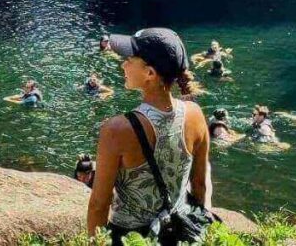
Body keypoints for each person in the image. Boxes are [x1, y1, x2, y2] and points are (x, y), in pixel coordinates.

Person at [86, 28, 211, 246]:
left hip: (131, 238)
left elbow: (99, 204)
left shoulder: (117, 129)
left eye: (130, 60)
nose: (123, 65)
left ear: (150, 73)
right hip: (180, 233)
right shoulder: (195, 114)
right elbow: (199, 184)